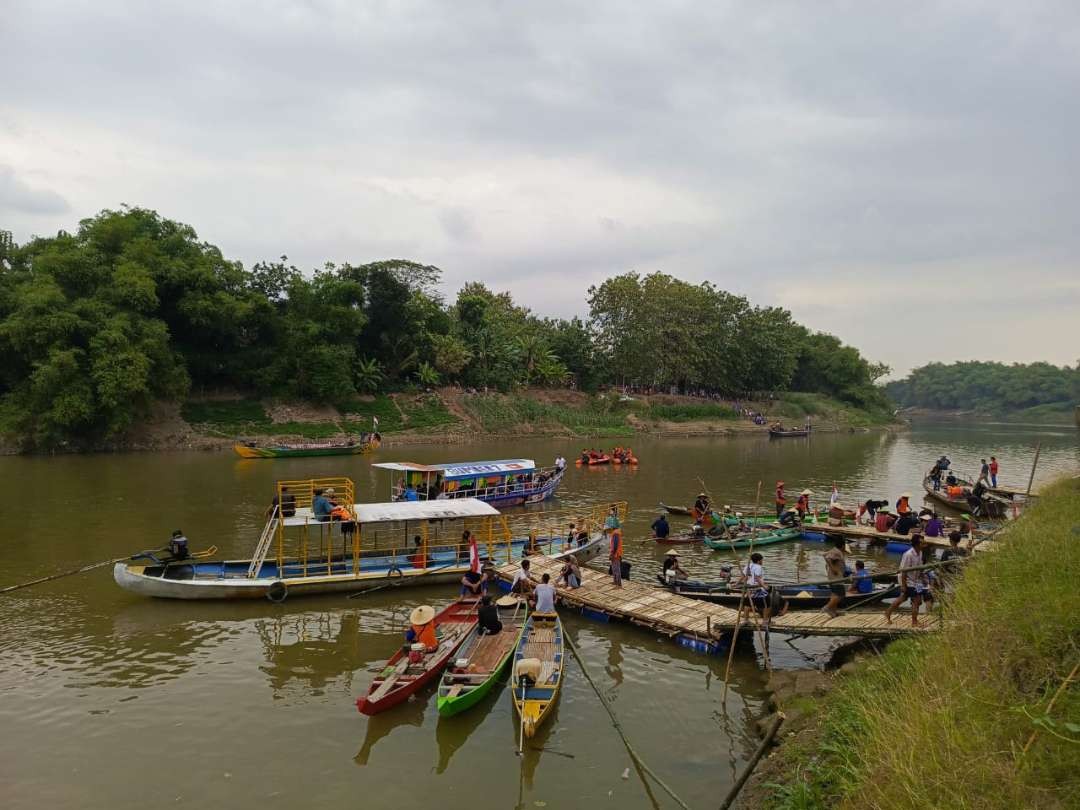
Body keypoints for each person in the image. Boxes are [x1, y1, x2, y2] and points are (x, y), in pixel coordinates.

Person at [885, 535, 931, 627]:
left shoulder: (920, 553)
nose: (923, 544)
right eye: (922, 542)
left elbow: (920, 568)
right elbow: (903, 571)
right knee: (916, 600)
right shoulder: (908, 554)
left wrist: (923, 579)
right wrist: (903, 585)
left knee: (904, 598)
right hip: (908, 580)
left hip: (917, 580)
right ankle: (914, 622)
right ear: (917, 544)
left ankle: (888, 612)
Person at [739, 552, 771, 625]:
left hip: (749, 588)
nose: (762, 562)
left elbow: (744, 576)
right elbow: (758, 578)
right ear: (759, 561)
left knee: (747, 604)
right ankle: (765, 621)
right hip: (757, 588)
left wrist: (736, 584)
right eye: (762, 560)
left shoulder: (748, 565)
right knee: (767, 604)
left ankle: (746, 620)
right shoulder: (759, 567)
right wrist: (764, 586)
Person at [821, 538, 846, 618]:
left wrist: (829, 567)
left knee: (834, 594)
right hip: (836, 577)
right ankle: (827, 607)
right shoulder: (837, 552)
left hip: (832, 577)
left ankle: (833, 612)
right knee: (841, 594)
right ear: (842, 546)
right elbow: (828, 558)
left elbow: (824, 555)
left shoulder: (834, 550)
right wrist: (833, 568)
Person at [609, 523, 624, 588]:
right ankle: (615, 581)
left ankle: (618, 583)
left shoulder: (615, 534)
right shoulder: (616, 533)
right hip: (615, 553)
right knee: (614, 568)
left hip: (616, 554)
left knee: (616, 569)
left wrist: (612, 554)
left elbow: (615, 546)